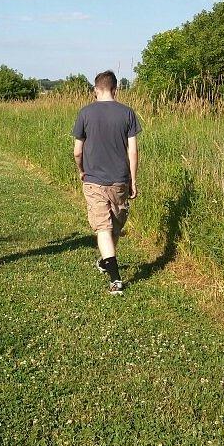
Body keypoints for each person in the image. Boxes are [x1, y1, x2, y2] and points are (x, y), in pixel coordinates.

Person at [72, 70, 141, 295]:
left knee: (107, 227)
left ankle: (106, 262)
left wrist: (81, 170)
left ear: (95, 89)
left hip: (93, 180)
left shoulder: (85, 113)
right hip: (120, 179)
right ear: (115, 89)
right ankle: (115, 278)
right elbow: (133, 150)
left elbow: (77, 151)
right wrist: (133, 180)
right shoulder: (127, 113)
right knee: (110, 225)